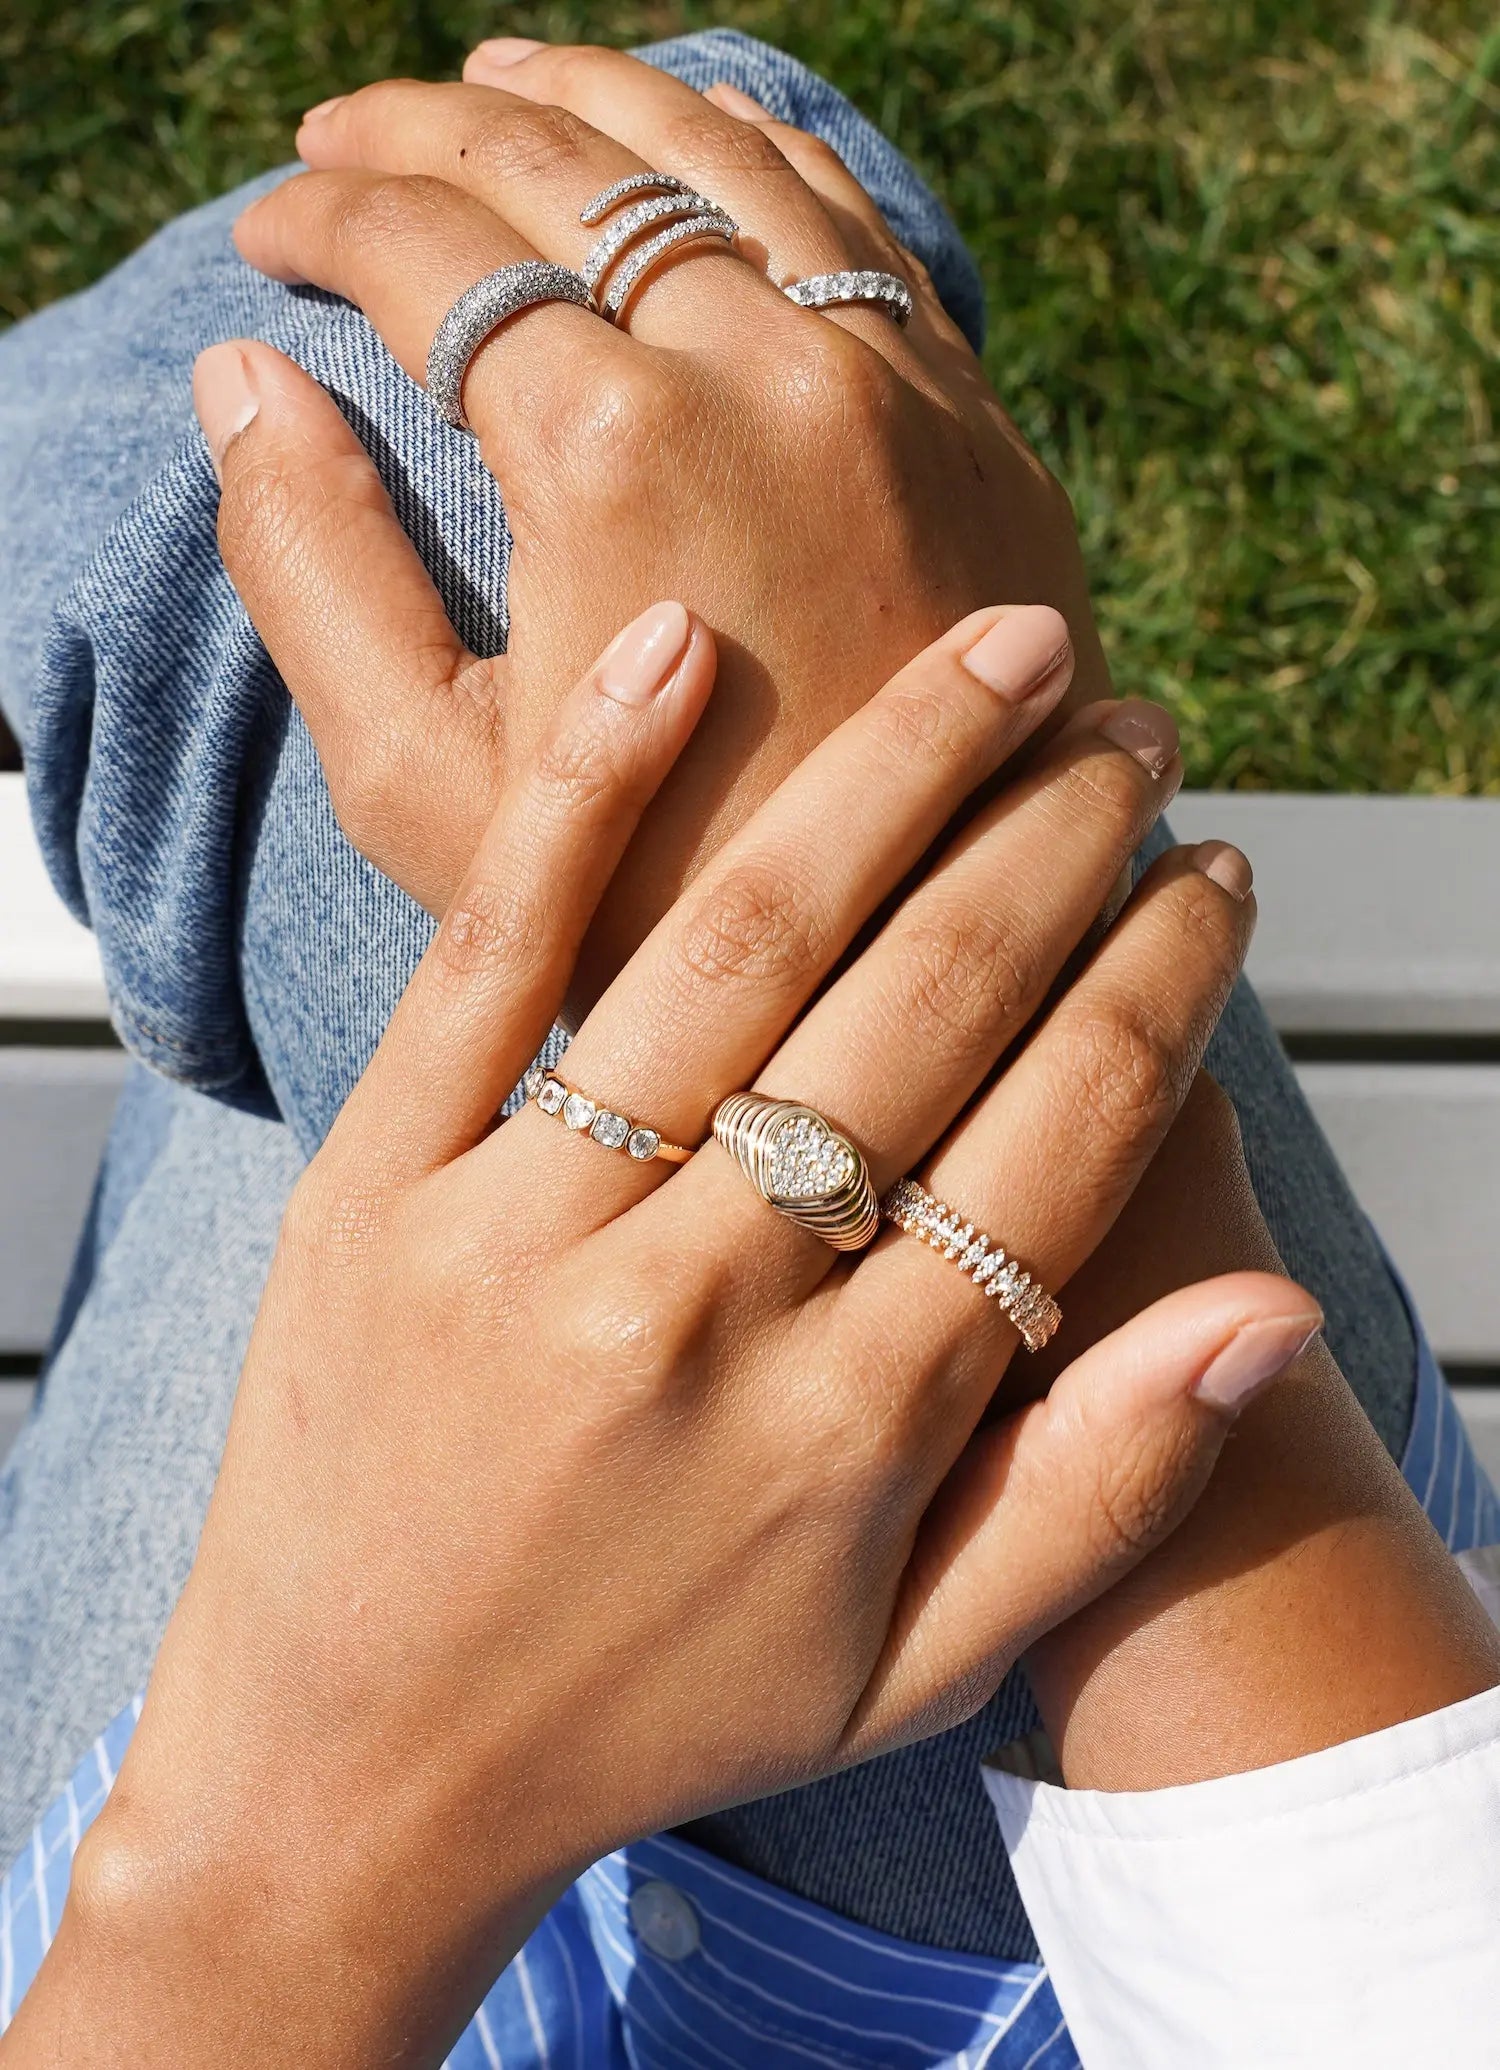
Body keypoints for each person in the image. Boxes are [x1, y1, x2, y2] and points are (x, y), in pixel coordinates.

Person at [0, 29, 1497, 2067]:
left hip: (212, 1941)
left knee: (446, 443)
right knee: (681, 401)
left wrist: (321, 1822)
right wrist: (1024, 1142)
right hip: (1217, 1882)